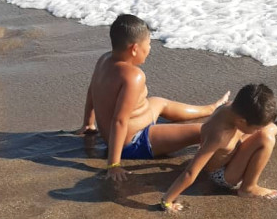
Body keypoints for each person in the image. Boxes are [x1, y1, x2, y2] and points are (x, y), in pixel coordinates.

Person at [75, 14, 229, 181]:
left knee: (159, 102)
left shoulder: (103, 59)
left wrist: (88, 123)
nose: (149, 48)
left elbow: (92, 90)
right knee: (204, 131)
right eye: (148, 44)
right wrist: (113, 164)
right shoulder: (133, 76)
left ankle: (210, 109)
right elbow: (119, 120)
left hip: (117, 134)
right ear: (134, 48)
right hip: (135, 141)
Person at [160, 84, 277, 213]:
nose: (257, 130)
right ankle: (248, 188)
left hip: (229, 151)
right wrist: (167, 200)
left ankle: (270, 128)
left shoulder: (231, 107)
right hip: (223, 174)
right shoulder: (219, 136)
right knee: (267, 138)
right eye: (256, 128)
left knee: (270, 128)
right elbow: (191, 172)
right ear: (241, 121)